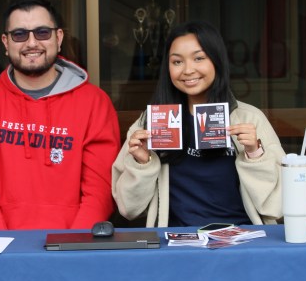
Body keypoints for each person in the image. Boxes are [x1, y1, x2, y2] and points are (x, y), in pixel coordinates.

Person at [0, 0, 120, 230]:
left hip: (74, 249)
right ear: (5, 42)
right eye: (19, 34)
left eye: (42, 32)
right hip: (4, 250)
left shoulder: (95, 103)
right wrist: (7, 247)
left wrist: (72, 244)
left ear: (59, 37)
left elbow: (100, 189)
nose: (31, 43)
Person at [112, 20, 285, 227]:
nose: (188, 70)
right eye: (177, 62)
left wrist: (255, 154)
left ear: (217, 61)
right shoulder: (150, 123)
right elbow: (129, 209)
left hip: (243, 239)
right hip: (177, 243)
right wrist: (142, 163)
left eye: (199, 58)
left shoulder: (249, 119)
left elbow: (277, 207)